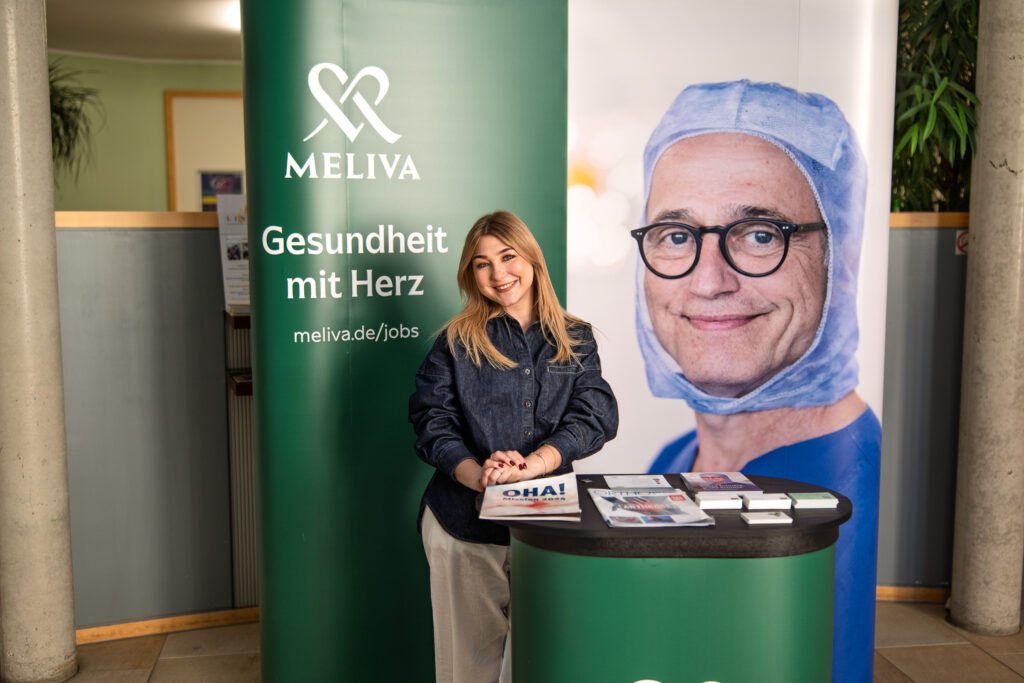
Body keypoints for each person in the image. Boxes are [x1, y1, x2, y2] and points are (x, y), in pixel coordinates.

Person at [635, 81, 880, 683]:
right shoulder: (671, 461)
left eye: (761, 234)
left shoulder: (851, 489)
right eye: (676, 236)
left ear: (841, 254)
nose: (708, 282)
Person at [409, 210, 618, 683]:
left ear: (532, 259)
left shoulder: (576, 337)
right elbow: (431, 423)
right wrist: (480, 474)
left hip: (547, 527)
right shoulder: (455, 341)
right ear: (470, 273)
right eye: (482, 264)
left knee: (542, 664)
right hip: (463, 526)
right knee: (467, 670)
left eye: (508, 257)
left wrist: (533, 465)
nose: (498, 273)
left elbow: (594, 416)